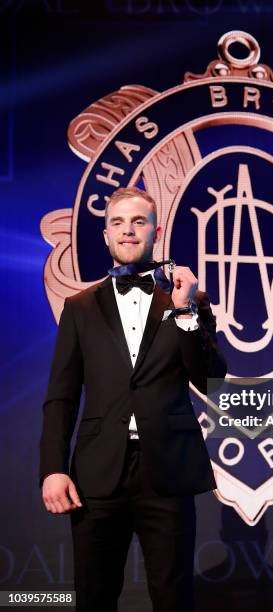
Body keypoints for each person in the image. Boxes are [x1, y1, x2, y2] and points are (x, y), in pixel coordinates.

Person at [39, 186, 227, 611]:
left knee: (173, 597)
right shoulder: (80, 307)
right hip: (98, 472)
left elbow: (210, 379)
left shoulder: (190, 300)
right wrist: (52, 469)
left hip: (167, 468)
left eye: (138, 222)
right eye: (118, 223)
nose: (128, 231)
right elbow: (61, 397)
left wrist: (183, 313)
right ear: (106, 235)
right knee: (94, 596)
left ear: (155, 231)